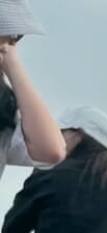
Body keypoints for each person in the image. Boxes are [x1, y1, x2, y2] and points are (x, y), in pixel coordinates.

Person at [0, 4, 64, 182]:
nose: (11, 41)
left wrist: (13, 66)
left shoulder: (4, 110)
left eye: (15, 37)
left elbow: (52, 151)